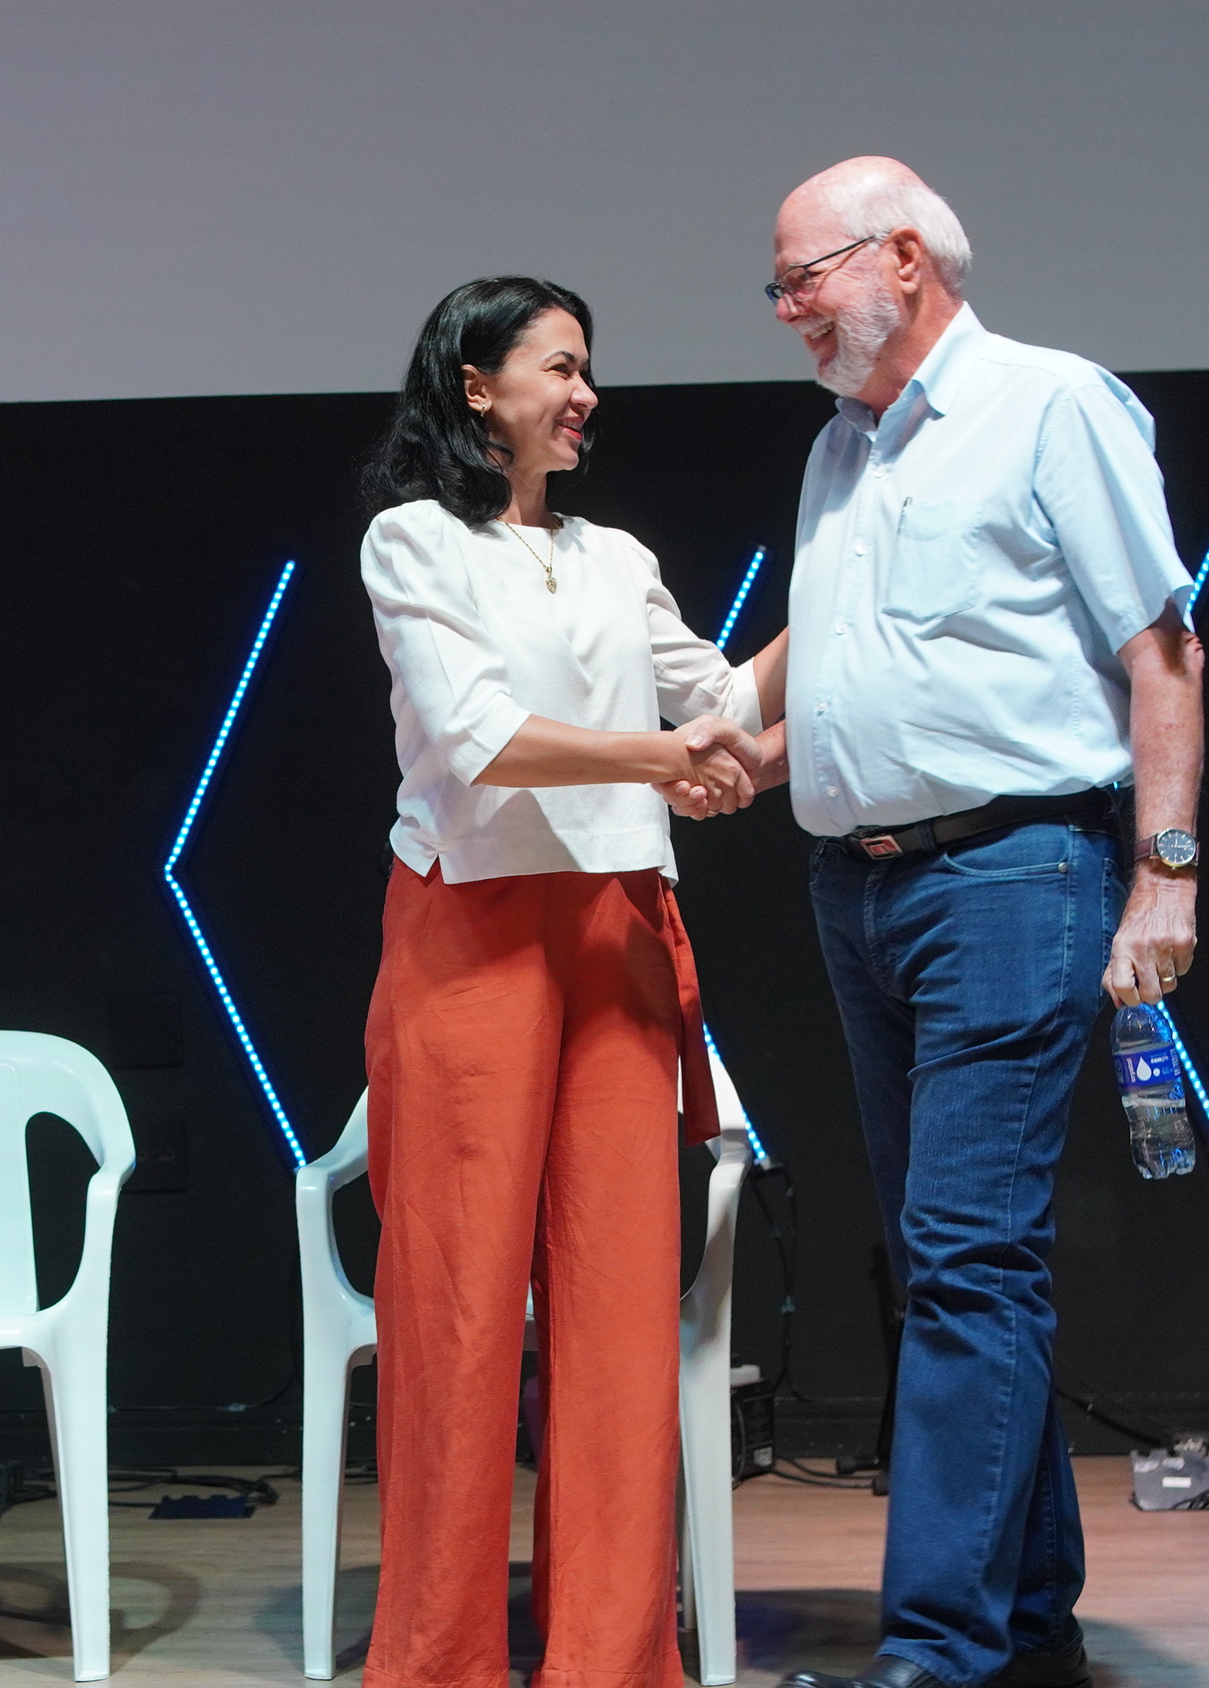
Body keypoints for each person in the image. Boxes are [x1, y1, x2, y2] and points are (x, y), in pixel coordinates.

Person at [737, 161, 1205, 1688]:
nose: (788, 311)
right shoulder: (841, 449)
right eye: (778, 288)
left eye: (804, 278)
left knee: (965, 1260)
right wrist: (737, 746)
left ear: (905, 257)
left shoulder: (1051, 404)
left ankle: (936, 1654)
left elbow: (1164, 651)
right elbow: (854, 653)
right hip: (860, 890)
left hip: (1011, 879)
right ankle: (1027, 1625)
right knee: (960, 1266)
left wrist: (1167, 874)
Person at [354, 275, 786, 1688]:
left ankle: (609, 1658)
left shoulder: (617, 556)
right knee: (461, 1312)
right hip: (470, 936)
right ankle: (443, 1661)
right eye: (559, 365)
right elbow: (478, 734)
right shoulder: (413, 542)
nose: (587, 392)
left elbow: (718, 701)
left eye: (589, 367)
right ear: (476, 387)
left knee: (616, 1310)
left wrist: (838, 602)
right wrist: (667, 760)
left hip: (617, 929)